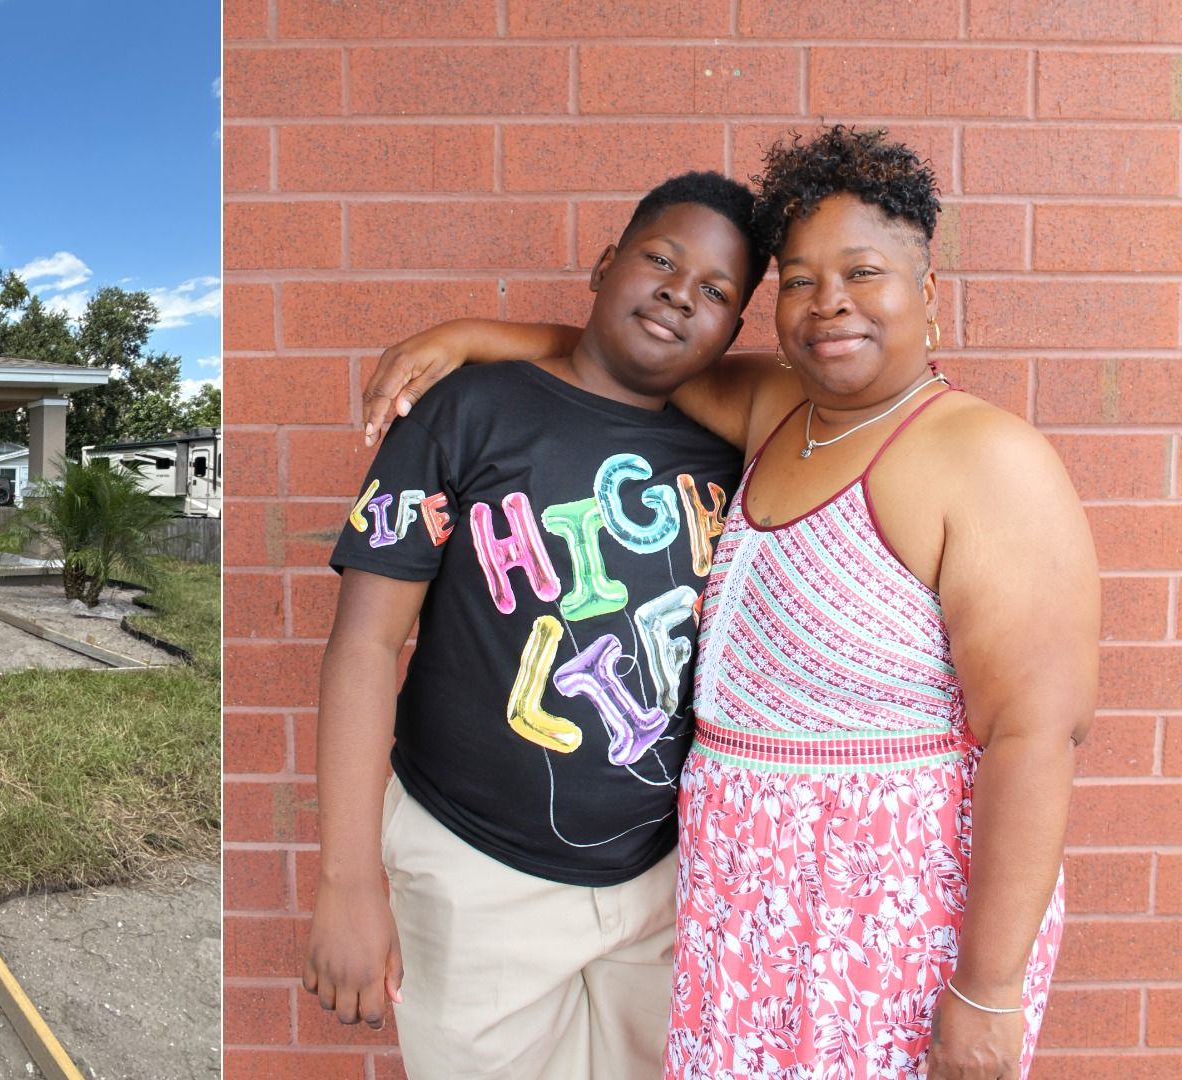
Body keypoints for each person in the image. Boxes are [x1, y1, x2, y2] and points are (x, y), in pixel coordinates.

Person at [360, 127, 1098, 1080]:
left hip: (883, 927)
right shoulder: (781, 416)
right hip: (728, 911)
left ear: (927, 296)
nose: (829, 301)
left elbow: (1039, 735)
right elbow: (633, 355)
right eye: (799, 279)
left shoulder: (988, 459)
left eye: (863, 272)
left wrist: (987, 989)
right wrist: (474, 338)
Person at [304, 172, 767, 1079]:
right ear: (604, 265)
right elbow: (362, 645)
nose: (681, 293)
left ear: (734, 330)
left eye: (716, 291)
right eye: (660, 260)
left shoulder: (733, 447)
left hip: (668, 877)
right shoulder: (468, 411)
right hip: (475, 872)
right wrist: (347, 880)